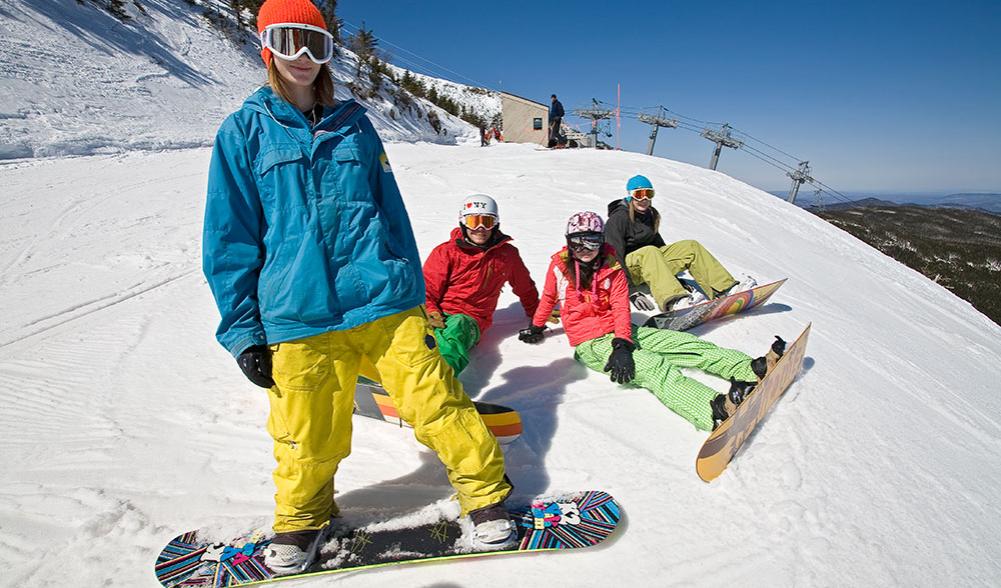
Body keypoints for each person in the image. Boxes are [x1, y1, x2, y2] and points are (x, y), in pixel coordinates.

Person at [201, 0, 515, 575]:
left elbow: (390, 214)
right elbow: (230, 239)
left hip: (384, 302)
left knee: (437, 401)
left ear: (327, 55)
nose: (302, 56)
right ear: (265, 48)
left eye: (315, 44)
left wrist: (414, 289)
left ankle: (485, 494)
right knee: (305, 434)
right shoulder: (243, 131)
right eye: (289, 41)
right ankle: (301, 520)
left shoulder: (356, 125)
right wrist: (243, 329)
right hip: (298, 314)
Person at [518, 211, 784, 432]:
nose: (584, 249)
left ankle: (750, 368)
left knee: (683, 343)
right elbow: (549, 298)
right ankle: (712, 409)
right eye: (577, 243)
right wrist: (537, 326)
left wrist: (622, 343)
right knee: (654, 367)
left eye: (591, 242)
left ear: (601, 241)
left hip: (624, 331)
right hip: (590, 343)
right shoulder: (559, 267)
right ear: (568, 242)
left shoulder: (612, 266)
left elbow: (621, 307)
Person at [423, 194, 542, 375]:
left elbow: (524, 286)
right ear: (463, 223)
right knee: (414, 336)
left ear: (496, 224)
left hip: (470, 319)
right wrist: (431, 311)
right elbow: (427, 288)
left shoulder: (507, 255)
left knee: (455, 333)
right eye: (473, 221)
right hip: (436, 314)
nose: (480, 228)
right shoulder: (446, 252)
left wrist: (537, 312)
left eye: (486, 221)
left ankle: (436, 384)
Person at [604, 175, 756, 313]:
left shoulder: (650, 214)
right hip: (628, 269)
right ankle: (674, 300)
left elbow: (660, 247)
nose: (644, 199)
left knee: (690, 246)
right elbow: (612, 256)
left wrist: (672, 277)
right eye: (639, 194)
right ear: (630, 196)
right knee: (649, 251)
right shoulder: (619, 218)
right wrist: (629, 290)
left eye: (648, 194)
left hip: (649, 263)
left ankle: (724, 288)